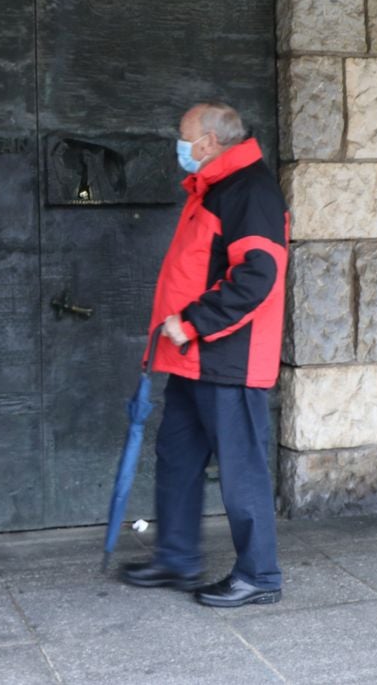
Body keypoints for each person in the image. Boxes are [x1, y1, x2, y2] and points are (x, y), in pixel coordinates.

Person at [120, 102, 288, 608]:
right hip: (191, 358)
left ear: (211, 142)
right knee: (177, 458)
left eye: (183, 136)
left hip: (227, 359)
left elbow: (257, 276)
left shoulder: (248, 190)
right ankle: (176, 558)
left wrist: (192, 322)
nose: (179, 145)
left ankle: (260, 575)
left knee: (242, 470)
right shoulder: (216, 188)